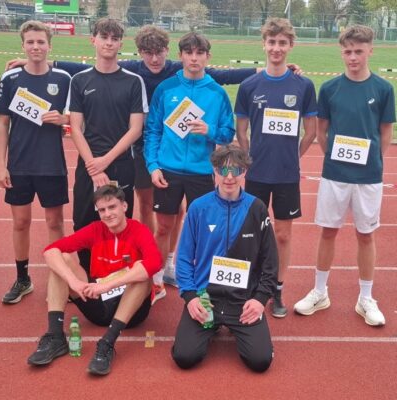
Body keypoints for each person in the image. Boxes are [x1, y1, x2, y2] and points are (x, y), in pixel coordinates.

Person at [8, 25, 262, 294]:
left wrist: (260, 73)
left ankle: (184, 274)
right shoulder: (149, 79)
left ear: (170, 53)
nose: (154, 59)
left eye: (159, 53)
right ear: (142, 53)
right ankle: (141, 274)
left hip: (185, 166)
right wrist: (39, 60)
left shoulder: (202, 84)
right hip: (153, 158)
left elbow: (226, 85)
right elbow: (145, 125)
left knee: (193, 223)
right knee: (145, 214)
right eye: (148, 53)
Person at [293, 25, 395, 326]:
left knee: (366, 234)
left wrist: (373, 161)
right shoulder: (329, 88)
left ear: (370, 51)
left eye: (358, 51)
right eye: (348, 51)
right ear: (342, 52)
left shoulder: (383, 89)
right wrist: (334, 157)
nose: (353, 57)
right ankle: (319, 291)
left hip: (368, 177)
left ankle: (366, 297)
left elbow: (385, 133)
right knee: (328, 231)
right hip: (335, 174)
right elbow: (321, 130)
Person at [27, 185, 161, 376]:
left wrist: (107, 286)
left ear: (124, 206)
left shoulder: (139, 230)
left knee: (143, 273)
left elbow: (155, 263)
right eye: (102, 210)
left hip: (132, 310)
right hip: (99, 305)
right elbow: (50, 251)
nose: (108, 214)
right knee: (61, 260)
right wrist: (73, 283)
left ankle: (107, 342)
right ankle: (55, 336)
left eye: (112, 207)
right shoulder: (95, 229)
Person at [235, 18, 317, 319]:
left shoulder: (303, 85)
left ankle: (277, 289)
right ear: (264, 44)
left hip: (286, 175)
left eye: (282, 43)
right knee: (253, 233)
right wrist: (247, 156)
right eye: (272, 42)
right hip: (257, 173)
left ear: (291, 45)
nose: (276, 48)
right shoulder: (249, 85)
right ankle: (255, 286)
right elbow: (241, 128)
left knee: (282, 234)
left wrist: (294, 156)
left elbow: (311, 131)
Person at [144, 32, 235, 303]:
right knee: (163, 227)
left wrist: (210, 130)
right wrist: (153, 166)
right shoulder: (166, 89)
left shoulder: (217, 93)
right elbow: (152, 131)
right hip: (168, 170)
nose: (194, 58)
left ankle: (201, 285)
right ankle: (157, 282)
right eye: (189, 53)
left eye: (199, 53)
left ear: (208, 56)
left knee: (204, 230)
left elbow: (227, 133)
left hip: (200, 172)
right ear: (180, 55)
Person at [171, 145, 278, 372]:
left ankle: (238, 323)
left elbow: (270, 261)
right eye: (223, 170)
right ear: (214, 171)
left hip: (243, 300)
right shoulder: (198, 207)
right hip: (205, 298)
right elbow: (183, 258)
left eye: (236, 170)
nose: (229, 177)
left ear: (244, 172)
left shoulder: (257, 208)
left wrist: (260, 300)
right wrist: (191, 297)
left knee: (260, 362)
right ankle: (210, 325)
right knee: (184, 357)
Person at [0, 21, 71, 304]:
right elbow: (3, 123)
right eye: (30, 42)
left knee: (55, 222)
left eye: (40, 42)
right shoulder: (11, 78)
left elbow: (77, 118)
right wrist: (1, 165)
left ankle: (60, 277)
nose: (35, 47)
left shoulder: (63, 79)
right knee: (21, 222)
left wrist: (63, 119)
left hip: (52, 164)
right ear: (23, 45)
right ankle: (22, 278)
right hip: (20, 164)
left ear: (50, 45)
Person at [67, 18, 148, 275]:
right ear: (93, 40)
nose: (109, 43)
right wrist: (94, 166)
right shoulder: (79, 80)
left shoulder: (133, 81)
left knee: (120, 223)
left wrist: (105, 161)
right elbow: (75, 128)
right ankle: (86, 278)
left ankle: (117, 278)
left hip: (121, 165)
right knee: (83, 222)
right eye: (104, 37)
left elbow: (135, 129)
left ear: (121, 43)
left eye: (115, 39)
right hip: (89, 165)